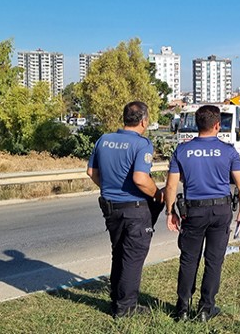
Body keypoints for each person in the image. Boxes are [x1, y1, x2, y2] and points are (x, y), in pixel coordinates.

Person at [165, 105, 240, 322]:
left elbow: (171, 187)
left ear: (197, 124)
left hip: (193, 211)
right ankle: (205, 309)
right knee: (214, 260)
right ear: (217, 125)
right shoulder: (228, 150)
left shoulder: (182, 151)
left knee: (188, 260)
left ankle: (182, 309)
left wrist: (170, 212)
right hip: (220, 210)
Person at [87, 101, 165, 318]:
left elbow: (91, 171)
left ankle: (117, 299)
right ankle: (126, 308)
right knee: (132, 258)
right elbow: (140, 179)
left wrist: (109, 188)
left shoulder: (104, 139)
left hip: (110, 207)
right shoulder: (142, 144)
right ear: (143, 121)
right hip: (134, 209)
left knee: (119, 253)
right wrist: (158, 195)